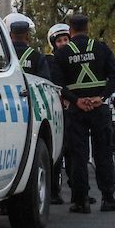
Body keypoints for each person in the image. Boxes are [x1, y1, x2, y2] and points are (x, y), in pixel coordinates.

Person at [51, 13, 115, 213]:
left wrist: (76, 100)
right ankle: (108, 198)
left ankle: (81, 201)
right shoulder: (101, 48)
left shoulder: (62, 54)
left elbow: (57, 84)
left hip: (76, 111)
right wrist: (101, 96)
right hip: (99, 108)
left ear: (70, 29)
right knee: (103, 154)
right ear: (87, 27)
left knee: (78, 156)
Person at [45, 23, 71, 205]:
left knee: (75, 154)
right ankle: (53, 192)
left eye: (66, 39)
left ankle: (78, 192)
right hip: (56, 111)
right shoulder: (49, 61)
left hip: (72, 110)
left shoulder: (76, 60)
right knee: (57, 152)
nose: (63, 43)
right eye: (59, 41)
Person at [4, 13, 49, 80]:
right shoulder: (37, 57)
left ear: (9, 34)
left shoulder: (2, 56)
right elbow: (45, 82)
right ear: (27, 35)